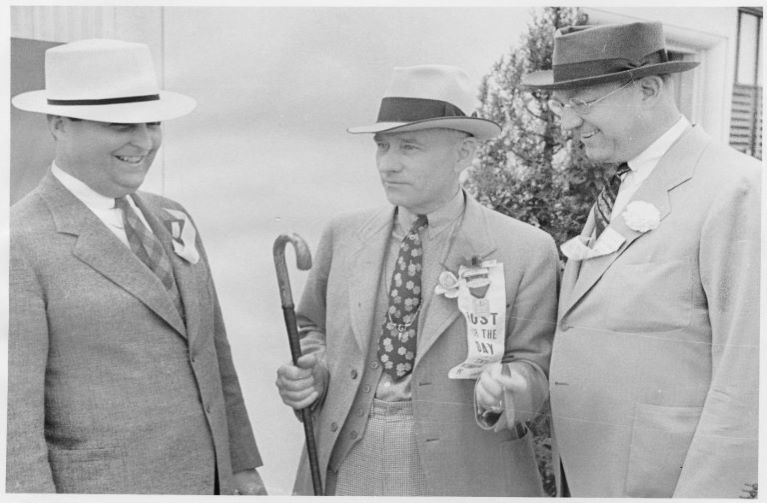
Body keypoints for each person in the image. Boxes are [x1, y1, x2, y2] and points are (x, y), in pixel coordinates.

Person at [275, 64, 559, 496]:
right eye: (382, 146)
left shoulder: (526, 249)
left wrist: (510, 389)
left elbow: (536, 367)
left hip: (466, 473)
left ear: (464, 153)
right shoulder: (343, 235)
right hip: (348, 466)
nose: (388, 165)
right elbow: (311, 327)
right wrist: (314, 372)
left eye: (409, 147)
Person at [8, 38, 266, 495]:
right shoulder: (19, 243)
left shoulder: (172, 217)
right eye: (119, 125)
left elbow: (214, 355)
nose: (144, 142)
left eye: (152, 123)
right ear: (59, 125)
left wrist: (241, 467)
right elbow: (11, 422)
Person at [522, 21, 760, 498]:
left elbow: (752, 376)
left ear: (649, 89)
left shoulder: (738, 189)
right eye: (562, 105)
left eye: (582, 102)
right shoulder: (622, 185)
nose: (568, 123)